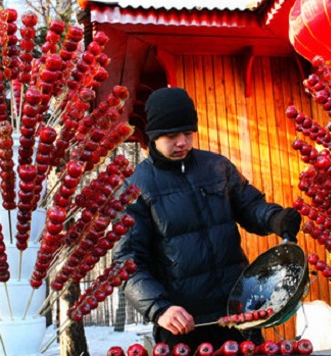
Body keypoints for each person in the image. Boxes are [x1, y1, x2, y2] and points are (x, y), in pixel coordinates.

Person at [112, 87, 302, 351]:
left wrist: (274, 218)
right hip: (183, 323)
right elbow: (127, 263)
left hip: (239, 310)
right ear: (153, 136)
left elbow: (249, 206)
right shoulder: (136, 187)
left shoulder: (216, 166)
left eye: (188, 134)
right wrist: (160, 308)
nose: (182, 142)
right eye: (172, 136)